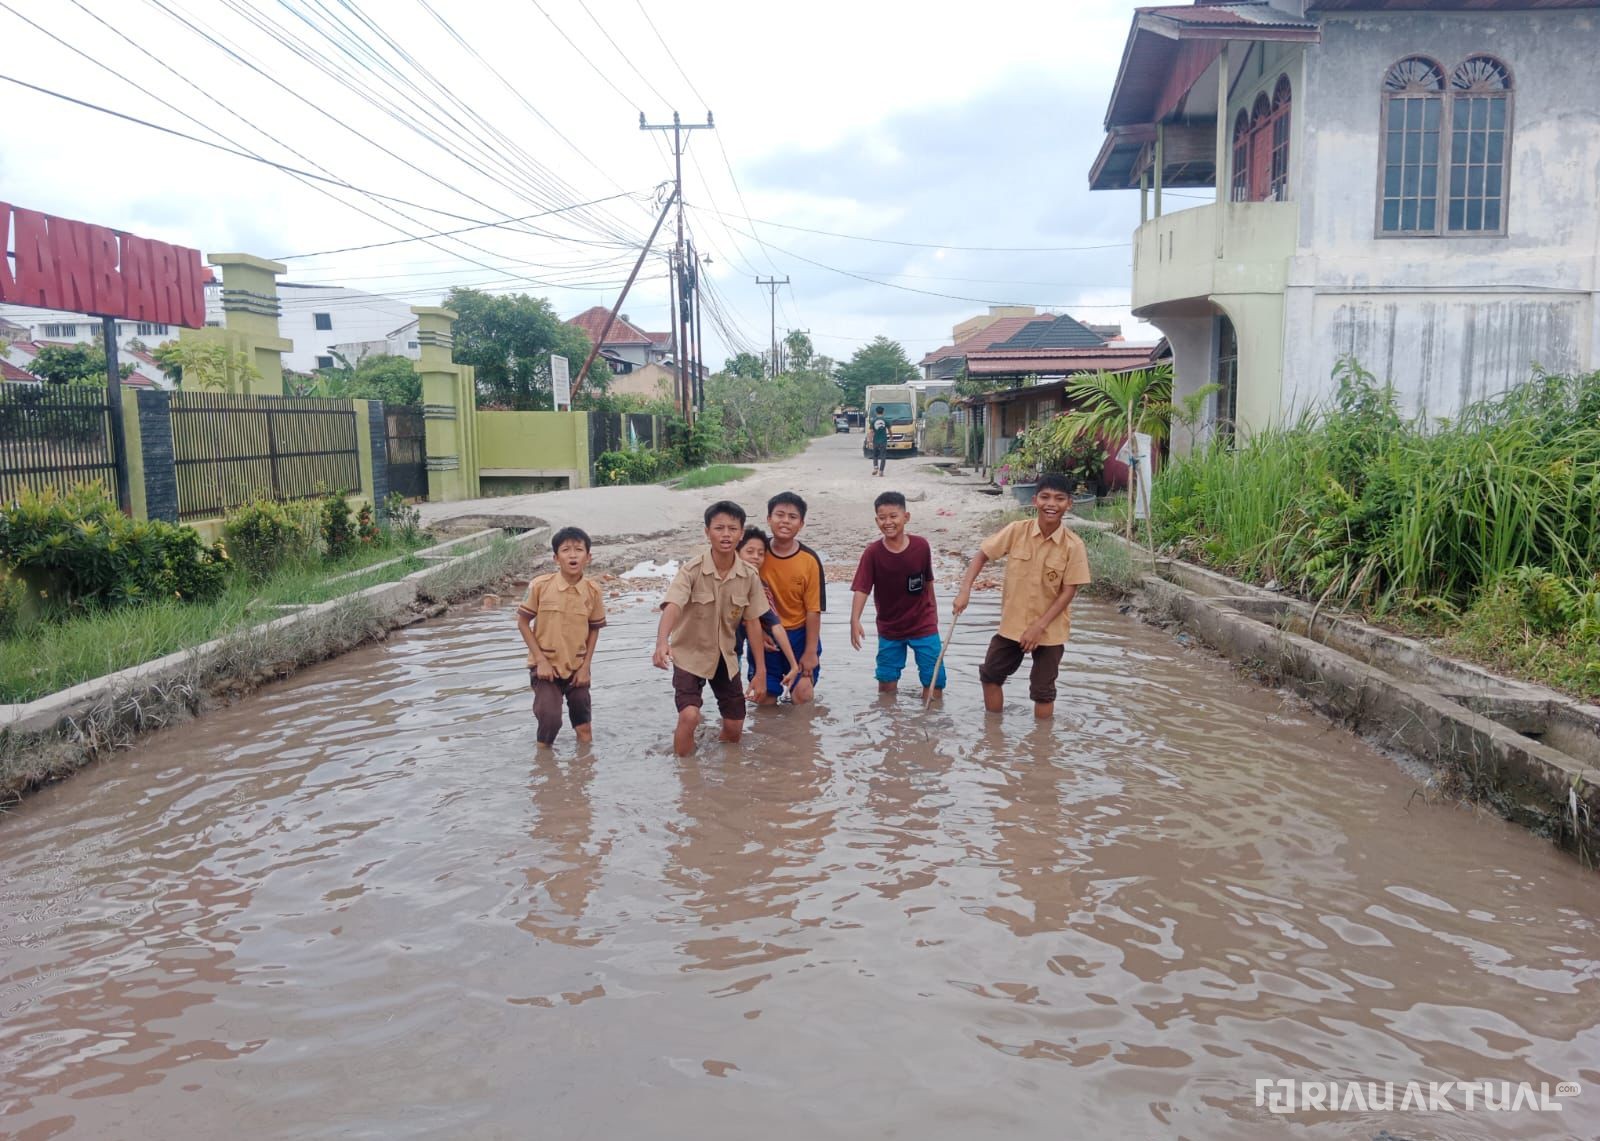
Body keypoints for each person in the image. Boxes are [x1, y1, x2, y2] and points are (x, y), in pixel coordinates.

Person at [952, 473, 1091, 719]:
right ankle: (994, 736)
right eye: (1045, 497)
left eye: (1059, 499)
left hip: (1050, 630)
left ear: (1069, 503)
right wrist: (965, 590)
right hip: (1012, 626)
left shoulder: (1073, 545)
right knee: (990, 676)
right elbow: (982, 555)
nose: (1051, 504)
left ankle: (1041, 750)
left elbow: (1069, 591)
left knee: (1043, 691)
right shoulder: (1017, 531)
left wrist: (1039, 626)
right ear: (1035, 500)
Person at [653, 501, 771, 755]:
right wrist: (662, 642)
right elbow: (672, 605)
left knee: (735, 726)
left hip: (724, 657)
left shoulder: (749, 575)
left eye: (732, 528)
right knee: (689, 716)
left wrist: (760, 671)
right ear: (707, 532)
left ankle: (724, 767)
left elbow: (753, 624)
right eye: (719, 528)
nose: (726, 535)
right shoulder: (691, 570)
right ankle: (685, 777)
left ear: (741, 533)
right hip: (688, 655)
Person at [849, 490, 946, 699]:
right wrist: (854, 620)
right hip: (890, 627)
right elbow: (862, 588)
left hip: (923, 623)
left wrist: (934, 615)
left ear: (906, 517)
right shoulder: (873, 553)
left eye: (893, 516)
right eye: (882, 518)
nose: (888, 522)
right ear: (877, 521)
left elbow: (928, 582)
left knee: (934, 681)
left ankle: (933, 723)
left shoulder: (921, 546)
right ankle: (890, 723)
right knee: (886, 683)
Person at [515, 526, 606, 746]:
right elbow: (523, 622)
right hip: (546, 668)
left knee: (583, 725)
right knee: (550, 721)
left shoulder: (593, 591)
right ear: (556, 558)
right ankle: (545, 771)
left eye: (578, 549)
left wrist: (585, 668)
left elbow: (594, 628)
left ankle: (584, 769)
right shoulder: (539, 586)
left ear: (588, 556)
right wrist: (540, 661)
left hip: (577, 668)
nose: (572, 555)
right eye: (566, 550)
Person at [756, 491, 825, 705]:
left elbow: (813, 610)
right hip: (766, 636)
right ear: (769, 519)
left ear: (801, 524)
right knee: (764, 700)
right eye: (780, 515)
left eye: (792, 517)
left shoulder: (809, 560)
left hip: (799, 635)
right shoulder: (755, 553)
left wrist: (811, 651)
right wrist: (758, 632)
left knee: (803, 697)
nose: (785, 521)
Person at [734, 527, 803, 694]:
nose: (755, 557)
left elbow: (775, 625)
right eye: (749, 551)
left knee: (731, 705)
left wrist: (794, 665)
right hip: (702, 649)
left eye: (760, 553)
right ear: (736, 552)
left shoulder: (760, 587)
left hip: (732, 653)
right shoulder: (719, 577)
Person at [870, 405, 889, 476]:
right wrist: (891, 436)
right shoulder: (885, 420)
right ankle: (881, 471)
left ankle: (875, 468)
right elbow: (889, 429)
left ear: (876, 412)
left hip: (875, 441)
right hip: (883, 440)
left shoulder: (873, 421)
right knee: (883, 456)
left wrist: (870, 440)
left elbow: (871, 432)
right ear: (883, 412)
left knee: (875, 455)